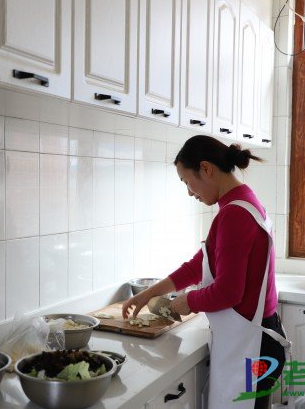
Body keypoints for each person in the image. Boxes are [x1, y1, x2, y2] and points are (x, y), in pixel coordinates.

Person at [122, 135, 290, 409]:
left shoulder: (234, 214)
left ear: (206, 169)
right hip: (258, 337)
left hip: (253, 345)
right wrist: (148, 294)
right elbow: (199, 265)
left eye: (187, 182)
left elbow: (228, 292)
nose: (190, 192)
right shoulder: (244, 201)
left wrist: (187, 301)